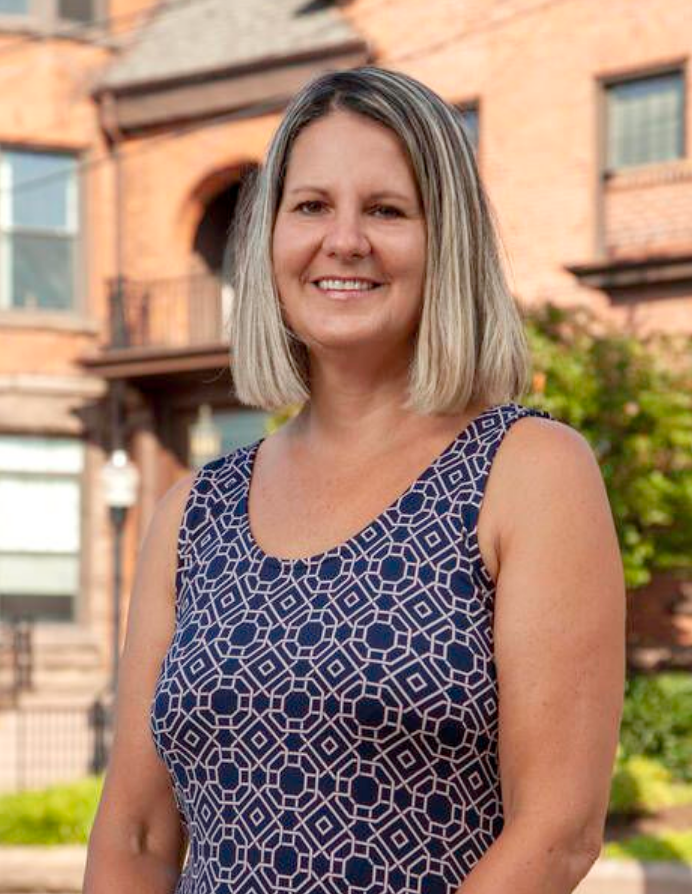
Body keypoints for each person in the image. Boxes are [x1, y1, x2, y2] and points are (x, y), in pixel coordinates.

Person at [83, 66, 625, 894]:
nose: (344, 241)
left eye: (386, 210)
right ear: (270, 240)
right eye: (311, 207)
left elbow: (556, 835)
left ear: (448, 241)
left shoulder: (530, 474)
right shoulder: (195, 511)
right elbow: (137, 829)